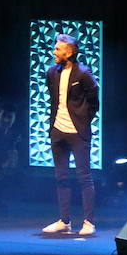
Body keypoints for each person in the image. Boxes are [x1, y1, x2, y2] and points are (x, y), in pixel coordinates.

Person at [40, 34, 99, 236]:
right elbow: (54, 99)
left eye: (58, 49)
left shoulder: (83, 73)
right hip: (58, 131)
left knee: (84, 177)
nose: (54, 52)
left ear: (70, 52)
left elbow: (94, 100)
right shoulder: (51, 72)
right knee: (61, 177)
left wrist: (84, 120)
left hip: (77, 132)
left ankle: (89, 222)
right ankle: (64, 221)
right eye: (55, 48)